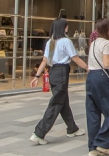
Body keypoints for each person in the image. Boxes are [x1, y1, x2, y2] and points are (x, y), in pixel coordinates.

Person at [29, 17, 88, 145]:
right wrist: (88, 68)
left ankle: (72, 129)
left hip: (53, 73)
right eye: (66, 26)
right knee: (56, 104)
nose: (68, 28)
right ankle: (39, 133)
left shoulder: (50, 42)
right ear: (63, 28)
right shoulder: (66, 42)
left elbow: (44, 60)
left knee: (63, 102)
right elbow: (76, 58)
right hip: (61, 73)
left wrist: (37, 76)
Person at [86, 18, 109, 156]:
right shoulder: (106, 43)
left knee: (93, 112)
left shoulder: (94, 43)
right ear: (108, 29)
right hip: (102, 78)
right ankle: (103, 143)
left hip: (91, 78)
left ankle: (93, 147)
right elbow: (107, 64)